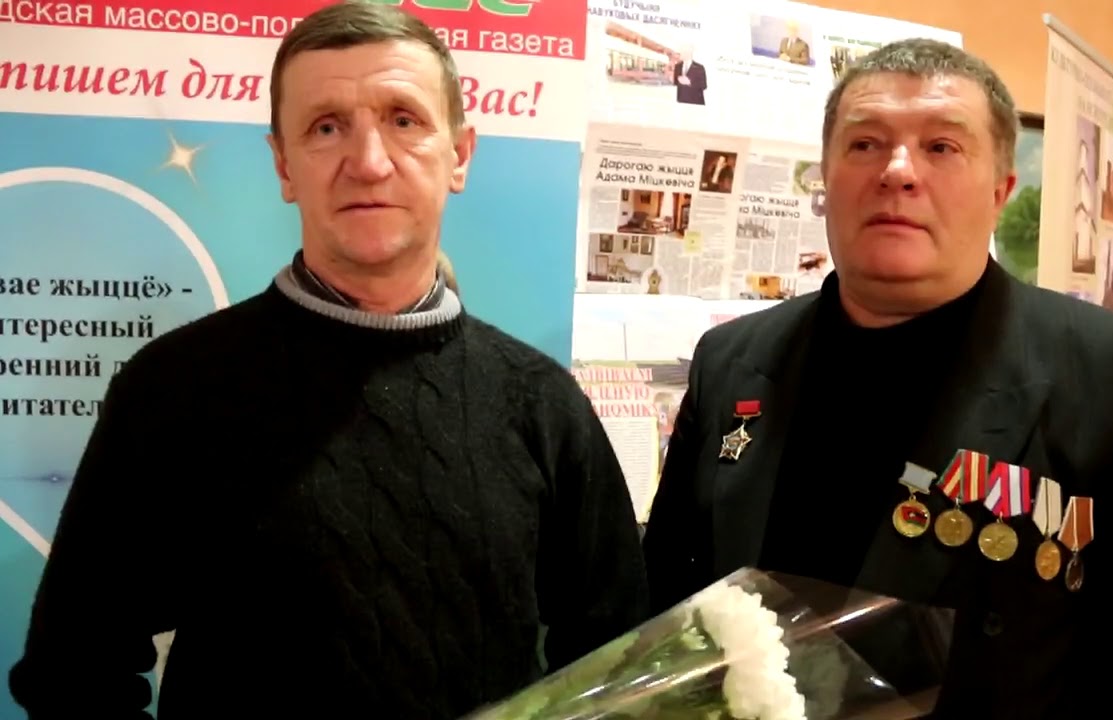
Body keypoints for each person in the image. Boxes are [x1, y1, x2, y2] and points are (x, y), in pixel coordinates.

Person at [9, 3, 647, 718]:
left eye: (403, 119)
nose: (369, 162)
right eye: (326, 127)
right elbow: (72, 671)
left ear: (460, 155)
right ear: (284, 165)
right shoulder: (172, 390)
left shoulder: (543, 405)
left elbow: (619, 669)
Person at [642, 38, 1113, 719]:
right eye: (865, 144)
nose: (898, 171)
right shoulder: (730, 361)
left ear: (1000, 191)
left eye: (942, 146)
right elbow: (662, 620)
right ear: (825, 179)